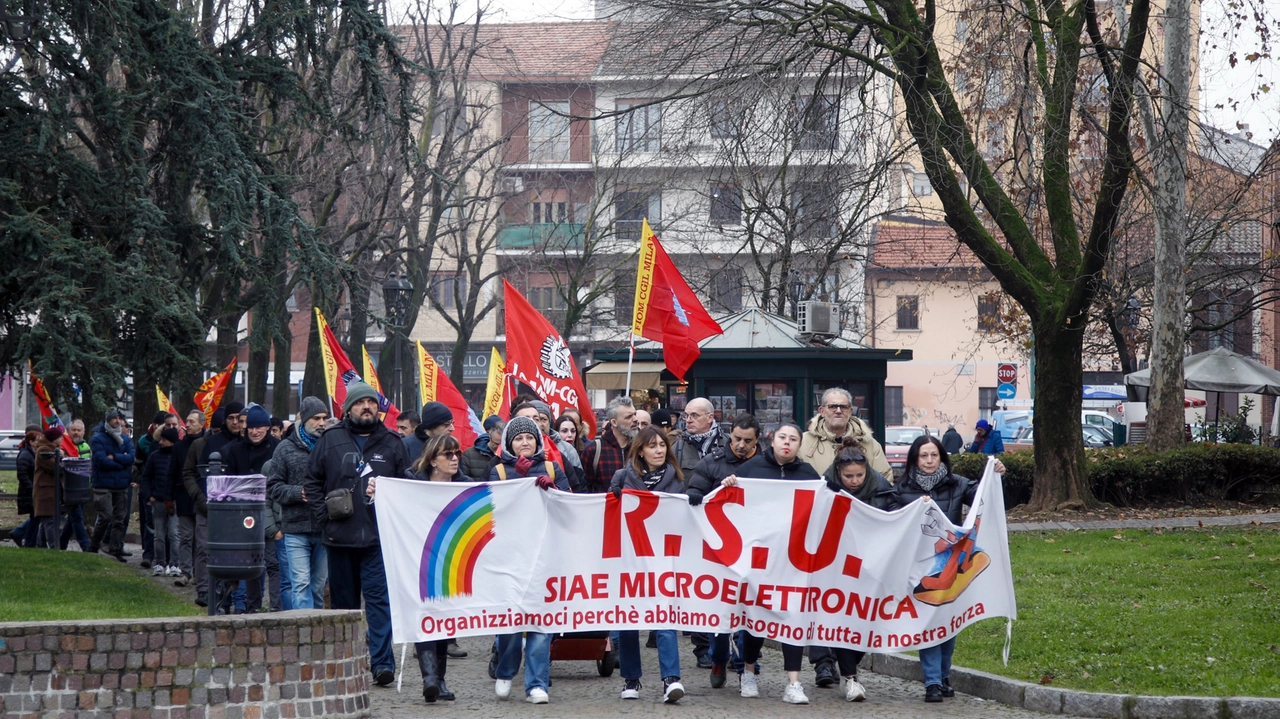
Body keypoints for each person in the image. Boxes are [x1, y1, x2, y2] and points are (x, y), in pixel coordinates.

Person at [303, 382, 410, 687]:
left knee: (378, 603)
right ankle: (346, 662)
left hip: (378, 540)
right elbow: (312, 480)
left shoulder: (392, 442)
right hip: (339, 539)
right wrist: (325, 517)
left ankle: (382, 664)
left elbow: (406, 483)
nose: (367, 407)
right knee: (344, 607)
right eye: (361, 402)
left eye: (372, 402)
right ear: (348, 408)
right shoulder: (331, 439)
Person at [887, 435, 1003, 702]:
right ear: (914, 459)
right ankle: (933, 682)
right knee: (928, 622)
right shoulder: (902, 488)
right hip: (919, 568)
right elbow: (892, 519)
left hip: (952, 565)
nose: (929, 461)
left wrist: (996, 475)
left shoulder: (958, 483)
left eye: (934, 455)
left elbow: (984, 495)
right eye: (923, 456)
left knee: (948, 624)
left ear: (942, 457)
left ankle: (944, 675)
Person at [723, 421, 820, 704]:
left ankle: (794, 682)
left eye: (793, 439)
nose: (787, 443)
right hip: (759, 559)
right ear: (771, 440)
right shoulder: (751, 470)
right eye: (782, 437)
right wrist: (728, 485)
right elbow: (730, 502)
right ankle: (749, 673)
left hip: (793, 559)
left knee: (793, 616)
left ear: (799, 445)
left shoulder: (807, 474)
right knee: (756, 616)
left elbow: (828, 499)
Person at [373, 433, 467, 703]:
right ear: (433, 461)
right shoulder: (411, 483)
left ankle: (440, 679)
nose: (454, 459)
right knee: (425, 616)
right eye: (448, 454)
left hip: (451, 561)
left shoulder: (466, 484)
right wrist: (376, 492)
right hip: (417, 559)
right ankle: (429, 678)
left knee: (446, 618)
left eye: (457, 453)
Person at [488, 416, 568, 704]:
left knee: (540, 621)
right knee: (510, 621)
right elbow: (490, 511)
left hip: (544, 553)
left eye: (530, 438)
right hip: (509, 557)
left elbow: (570, 503)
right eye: (519, 438)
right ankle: (506, 671)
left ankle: (536, 683)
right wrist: (518, 480)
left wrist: (554, 490)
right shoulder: (498, 471)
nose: (525, 442)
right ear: (509, 443)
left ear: (538, 441)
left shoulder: (552, 468)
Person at [608, 426, 687, 705]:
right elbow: (610, 515)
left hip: (663, 558)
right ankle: (631, 679)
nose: (659, 450)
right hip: (630, 558)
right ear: (640, 449)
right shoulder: (622, 477)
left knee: (665, 617)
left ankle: (671, 679)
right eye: (652, 446)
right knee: (629, 619)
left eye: (662, 445)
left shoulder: (677, 480)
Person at [685, 412, 761, 687]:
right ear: (730, 434)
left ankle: (746, 667)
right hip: (718, 550)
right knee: (721, 609)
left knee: (751, 610)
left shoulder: (765, 465)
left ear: (757, 440)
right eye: (737, 438)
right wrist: (701, 494)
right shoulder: (712, 462)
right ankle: (719, 658)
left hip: (754, 549)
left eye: (747, 440)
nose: (741, 445)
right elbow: (695, 492)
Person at [819, 436, 896, 702]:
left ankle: (849, 669)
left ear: (868, 471)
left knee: (866, 622)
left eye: (859, 475)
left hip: (872, 567)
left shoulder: (882, 488)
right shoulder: (824, 489)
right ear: (838, 472)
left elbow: (895, 518)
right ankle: (850, 678)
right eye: (849, 476)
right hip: (836, 567)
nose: (854, 481)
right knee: (842, 620)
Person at [669, 397, 726, 668]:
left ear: (710, 417)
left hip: (724, 526)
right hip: (689, 525)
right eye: (686, 415)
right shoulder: (676, 447)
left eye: (694, 415)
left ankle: (726, 640)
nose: (687, 419)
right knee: (697, 585)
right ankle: (702, 646)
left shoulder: (727, 445)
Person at [267, 397, 330, 610]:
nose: (322, 423)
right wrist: (297, 493)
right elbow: (273, 487)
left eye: (324, 418)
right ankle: (304, 638)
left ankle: (318, 635)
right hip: (295, 529)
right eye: (317, 418)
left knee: (318, 588)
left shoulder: (330, 446)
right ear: (303, 419)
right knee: (300, 586)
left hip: (324, 528)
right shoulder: (285, 448)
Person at [184, 402, 244, 606]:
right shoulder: (212, 442)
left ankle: (232, 593)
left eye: (239, 418)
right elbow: (200, 473)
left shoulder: (247, 442)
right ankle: (204, 590)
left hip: (237, 508)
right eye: (231, 418)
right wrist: (203, 498)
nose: (235, 422)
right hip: (209, 504)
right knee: (204, 548)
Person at [224, 404, 281, 612]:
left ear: (267, 428)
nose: (255, 432)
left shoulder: (277, 448)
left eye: (260, 428)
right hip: (243, 513)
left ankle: (276, 607)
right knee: (249, 562)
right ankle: (250, 605)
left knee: (274, 563)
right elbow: (227, 482)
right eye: (251, 428)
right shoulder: (235, 450)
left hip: (271, 514)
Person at [800, 388, 891, 478]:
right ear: (822, 411)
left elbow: (884, 480)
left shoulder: (870, 445)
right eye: (833, 406)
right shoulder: (802, 443)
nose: (838, 411)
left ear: (850, 411)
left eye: (843, 407)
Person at [89, 408, 135, 561]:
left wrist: (115, 457)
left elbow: (131, 458)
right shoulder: (98, 439)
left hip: (121, 485)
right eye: (114, 418)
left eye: (119, 418)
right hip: (103, 485)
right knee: (105, 516)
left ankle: (116, 549)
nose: (117, 421)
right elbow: (101, 461)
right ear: (107, 420)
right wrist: (121, 463)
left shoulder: (126, 439)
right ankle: (94, 545)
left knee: (119, 519)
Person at [167, 410, 206, 585]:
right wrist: (169, 498)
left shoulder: (208, 444)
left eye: (191, 422)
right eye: (187, 421)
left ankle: (201, 572)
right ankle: (185, 572)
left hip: (203, 499)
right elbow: (172, 473)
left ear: (202, 424)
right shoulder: (179, 446)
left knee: (201, 538)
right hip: (183, 497)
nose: (187, 425)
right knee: (186, 536)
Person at [140, 427, 180, 575]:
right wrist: (149, 495)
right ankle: (160, 563)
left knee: (174, 533)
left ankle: (175, 563)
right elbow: (146, 477)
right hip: (158, 500)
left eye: (164, 440)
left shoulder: (178, 456)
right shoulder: (155, 456)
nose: (161, 442)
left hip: (174, 501)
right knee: (159, 534)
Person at [584, 396, 636, 493]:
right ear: (614, 422)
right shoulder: (594, 450)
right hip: (604, 507)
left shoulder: (642, 447)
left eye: (635, 414)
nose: (635, 419)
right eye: (629, 417)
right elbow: (584, 490)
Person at [60, 420, 93, 551]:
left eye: (79, 430)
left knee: (73, 518)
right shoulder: (63, 447)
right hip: (69, 487)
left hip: (84, 486)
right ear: (69, 431)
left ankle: (62, 543)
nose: (76, 433)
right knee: (77, 516)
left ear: (84, 432)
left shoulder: (86, 447)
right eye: (73, 430)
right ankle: (85, 545)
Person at [30, 427, 65, 548]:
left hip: (50, 490)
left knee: (46, 520)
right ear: (54, 439)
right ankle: (53, 546)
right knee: (50, 519)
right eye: (60, 437)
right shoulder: (43, 451)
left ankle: (41, 545)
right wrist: (60, 458)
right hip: (45, 491)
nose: (62, 439)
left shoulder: (51, 449)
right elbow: (54, 467)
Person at [10, 425, 40, 547]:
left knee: (36, 517)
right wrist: (32, 488)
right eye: (38, 440)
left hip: (32, 490)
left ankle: (22, 535)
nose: (40, 442)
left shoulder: (32, 453)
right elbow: (22, 474)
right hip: (29, 492)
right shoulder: (25, 455)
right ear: (31, 442)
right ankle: (28, 541)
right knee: (36, 516)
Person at [462, 416, 504, 481]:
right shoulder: (469, 455)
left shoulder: (514, 455)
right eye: (496, 444)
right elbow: (462, 481)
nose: (499, 448)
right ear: (489, 436)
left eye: (503, 445)